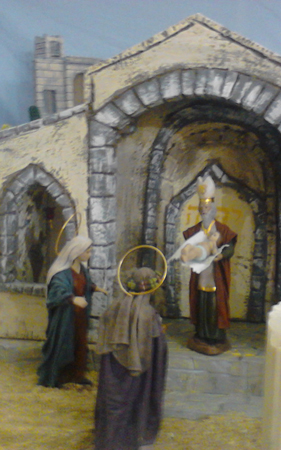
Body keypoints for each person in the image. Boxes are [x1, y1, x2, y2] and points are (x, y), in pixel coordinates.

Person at [94, 267, 168, 450]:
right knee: (132, 401)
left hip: (112, 369)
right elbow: (155, 349)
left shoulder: (114, 308)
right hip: (136, 373)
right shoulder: (148, 314)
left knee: (114, 403)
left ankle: (107, 439)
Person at [37, 235, 106, 388]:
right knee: (63, 344)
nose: (89, 254)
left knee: (79, 344)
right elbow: (57, 290)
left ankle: (77, 374)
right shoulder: (61, 273)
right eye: (87, 251)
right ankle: (58, 377)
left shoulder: (81, 269)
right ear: (77, 252)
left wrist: (95, 288)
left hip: (79, 316)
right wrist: (72, 299)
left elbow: (84, 283)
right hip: (65, 317)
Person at [183, 176, 237, 355]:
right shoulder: (195, 230)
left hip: (215, 275)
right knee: (201, 303)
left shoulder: (222, 229)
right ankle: (201, 334)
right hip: (201, 274)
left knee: (215, 304)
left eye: (207, 208)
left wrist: (221, 255)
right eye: (202, 208)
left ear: (213, 209)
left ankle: (216, 336)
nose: (204, 211)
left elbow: (229, 247)